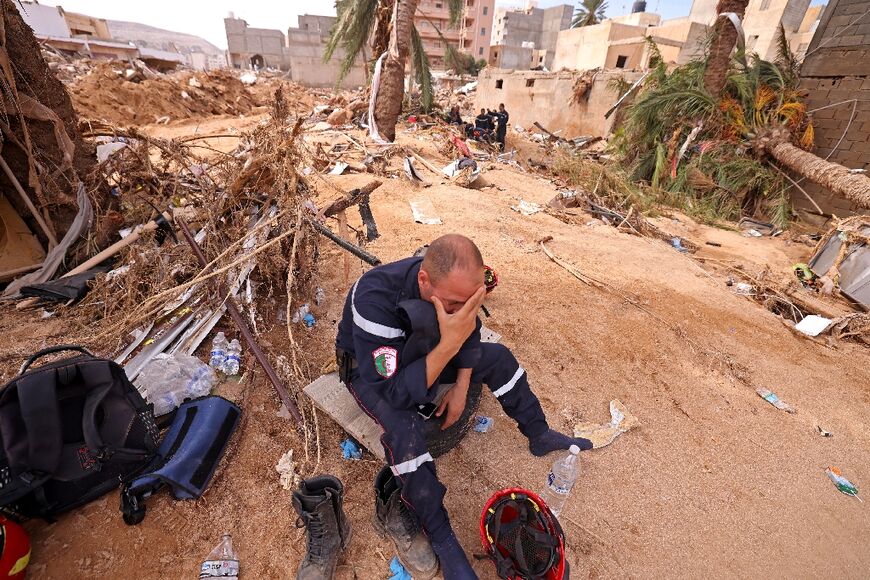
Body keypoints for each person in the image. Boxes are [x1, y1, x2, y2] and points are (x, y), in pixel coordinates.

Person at [335, 234, 593, 579]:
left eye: (469, 301)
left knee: (498, 358)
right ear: (424, 281)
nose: (462, 309)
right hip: (375, 373)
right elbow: (394, 391)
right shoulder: (373, 301)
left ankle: (539, 433)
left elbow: (469, 329)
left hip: (427, 349)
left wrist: (460, 384)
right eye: (455, 303)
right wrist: (449, 344)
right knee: (405, 430)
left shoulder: (457, 291)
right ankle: (441, 536)